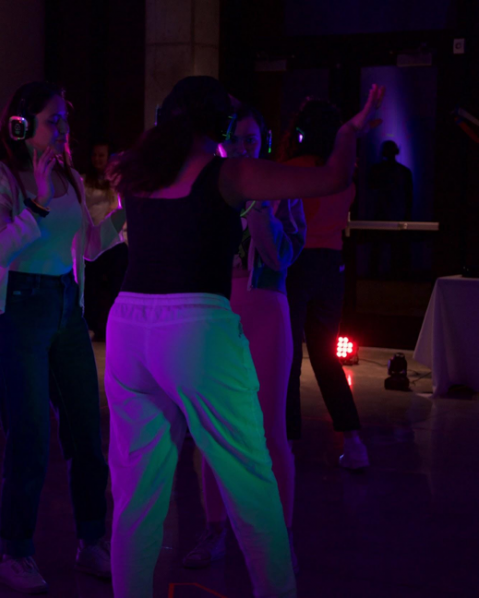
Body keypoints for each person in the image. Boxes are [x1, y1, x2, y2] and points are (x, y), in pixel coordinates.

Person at [105, 76, 384, 598]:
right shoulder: (228, 173)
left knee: (136, 499)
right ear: (220, 126)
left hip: (126, 327)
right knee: (252, 484)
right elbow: (331, 178)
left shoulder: (137, 171)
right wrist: (349, 130)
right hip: (195, 327)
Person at [0, 81, 126, 594]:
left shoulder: (70, 178)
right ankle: (14, 552)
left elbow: (93, 246)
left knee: (86, 430)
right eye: (53, 120)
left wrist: (127, 208)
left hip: (66, 306)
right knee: (30, 434)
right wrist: (34, 201)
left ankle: (92, 541)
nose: (63, 129)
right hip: (16, 312)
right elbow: (2, 252)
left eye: (64, 120)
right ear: (21, 126)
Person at [183, 104, 306, 573]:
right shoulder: (208, 190)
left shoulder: (277, 192)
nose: (242, 149)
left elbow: (280, 259)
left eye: (251, 141)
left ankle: (282, 535)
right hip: (216, 313)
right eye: (235, 141)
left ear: (264, 144)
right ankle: (215, 528)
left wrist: (260, 212)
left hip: (265, 310)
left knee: (271, 429)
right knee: (214, 429)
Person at [281, 98, 369, 470]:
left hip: (297, 263)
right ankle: (354, 441)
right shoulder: (345, 175)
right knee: (326, 356)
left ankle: (287, 442)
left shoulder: (293, 170)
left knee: (288, 357)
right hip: (332, 265)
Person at [83, 141, 127, 340]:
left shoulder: (116, 181)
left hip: (113, 241)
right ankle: (91, 326)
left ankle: (119, 325)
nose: (97, 159)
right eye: (95, 155)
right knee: (90, 285)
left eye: (102, 155)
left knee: (118, 285)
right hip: (92, 239)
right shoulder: (83, 181)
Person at [366, 140, 414, 278]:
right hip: (395, 214)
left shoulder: (378, 170)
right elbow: (409, 197)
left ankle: (377, 275)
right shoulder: (404, 172)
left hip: (385, 214)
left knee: (382, 247)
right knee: (391, 247)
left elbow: (372, 192)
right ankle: (394, 275)